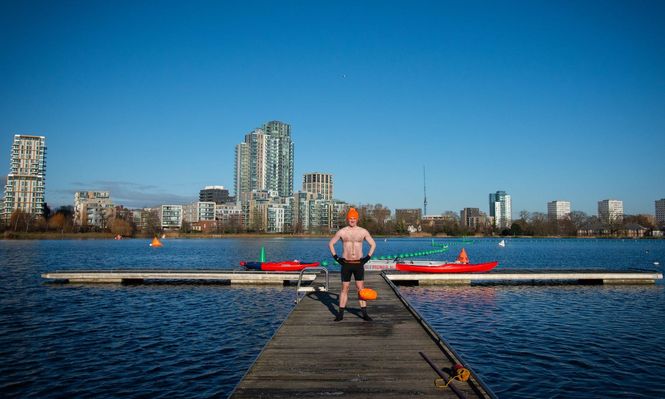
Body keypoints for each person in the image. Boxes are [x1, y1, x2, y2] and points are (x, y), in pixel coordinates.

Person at [328, 207, 376, 321]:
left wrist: (367, 258)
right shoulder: (342, 231)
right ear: (347, 219)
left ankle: (364, 314)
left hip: (359, 263)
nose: (352, 220)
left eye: (354, 218)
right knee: (345, 288)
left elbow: (373, 244)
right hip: (346, 264)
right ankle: (340, 314)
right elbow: (331, 244)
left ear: (357, 219)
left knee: (361, 288)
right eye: (350, 218)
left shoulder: (363, 231)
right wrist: (336, 258)